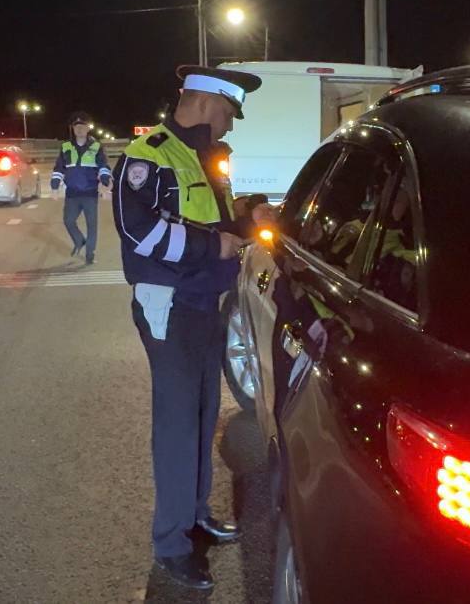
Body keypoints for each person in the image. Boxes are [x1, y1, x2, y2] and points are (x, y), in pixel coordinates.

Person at [112, 65, 265, 590]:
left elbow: (216, 213)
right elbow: (139, 231)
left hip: (204, 301)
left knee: (201, 416)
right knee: (177, 425)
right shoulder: (148, 154)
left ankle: (195, 515)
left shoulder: (207, 156)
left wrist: (249, 214)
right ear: (203, 103)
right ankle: (172, 545)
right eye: (226, 112)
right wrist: (211, 247)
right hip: (169, 304)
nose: (229, 124)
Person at [51, 112, 112, 264]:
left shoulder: (96, 146)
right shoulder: (66, 147)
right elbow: (59, 167)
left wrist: (105, 182)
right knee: (68, 221)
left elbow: (103, 166)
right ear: (73, 129)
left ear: (87, 128)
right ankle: (79, 241)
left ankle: (90, 254)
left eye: (83, 126)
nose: (80, 129)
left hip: (90, 193)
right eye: (76, 126)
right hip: (72, 193)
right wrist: (54, 186)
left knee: (92, 226)